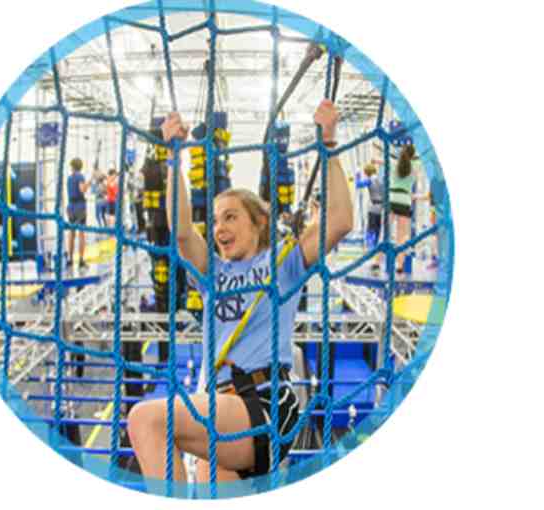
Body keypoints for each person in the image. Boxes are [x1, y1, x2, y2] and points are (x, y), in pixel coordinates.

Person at [127, 99, 353, 483]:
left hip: (264, 402)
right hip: (221, 403)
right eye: (216, 220)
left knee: (146, 419)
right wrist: (174, 158)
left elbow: (340, 221)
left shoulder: (282, 263)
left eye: (230, 217)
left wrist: (329, 145)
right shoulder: (212, 272)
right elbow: (181, 231)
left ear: (258, 223)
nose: (219, 229)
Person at [389, 144, 416, 273]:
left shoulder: (394, 163)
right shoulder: (415, 167)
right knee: (402, 235)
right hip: (405, 201)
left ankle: (376, 262)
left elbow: (379, 160)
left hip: (392, 199)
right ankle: (399, 265)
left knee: (386, 232)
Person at [66, 157, 92, 269]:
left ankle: (70, 259)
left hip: (70, 207)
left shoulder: (69, 178)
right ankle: (81, 260)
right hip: (79, 207)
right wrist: (90, 182)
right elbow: (82, 190)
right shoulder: (80, 176)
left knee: (71, 234)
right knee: (81, 234)